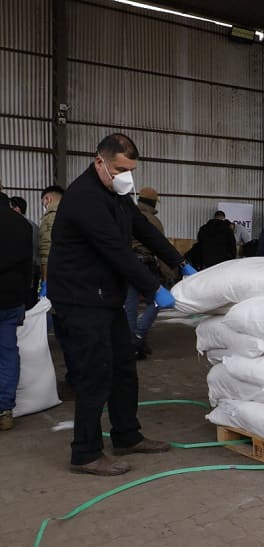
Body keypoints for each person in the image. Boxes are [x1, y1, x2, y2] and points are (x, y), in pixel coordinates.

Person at [49, 133, 196, 476]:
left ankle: (127, 436)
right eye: (119, 168)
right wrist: (154, 287)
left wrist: (178, 261)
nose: (125, 176)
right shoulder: (84, 197)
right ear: (99, 161)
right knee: (95, 373)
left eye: (130, 169)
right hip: (80, 298)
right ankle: (85, 453)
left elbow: (142, 228)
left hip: (106, 296)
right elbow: (114, 250)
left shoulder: (115, 193)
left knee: (124, 368)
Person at [125, 187, 171, 360]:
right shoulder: (153, 221)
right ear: (153, 203)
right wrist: (168, 273)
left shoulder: (126, 216)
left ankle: (132, 343)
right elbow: (160, 248)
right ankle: (139, 335)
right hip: (146, 264)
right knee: (157, 301)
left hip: (128, 264)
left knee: (130, 304)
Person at [38, 185, 77, 395]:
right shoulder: (74, 215)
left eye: (44, 199)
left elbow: (47, 253)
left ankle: (76, 380)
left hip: (60, 287)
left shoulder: (51, 218)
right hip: (77, 285)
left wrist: (45, 283)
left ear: (49, 199)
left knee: (66, 335)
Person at [0, 192, 33, 431]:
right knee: (8, 352)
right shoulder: (21, 224)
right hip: (11, 298)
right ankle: (4, 409)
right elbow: (27, 266)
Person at [9, 196, 40, 309]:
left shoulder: (20, 225)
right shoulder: (34, 225)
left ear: (17, 209)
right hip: (34, 270)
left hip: (25, 272)